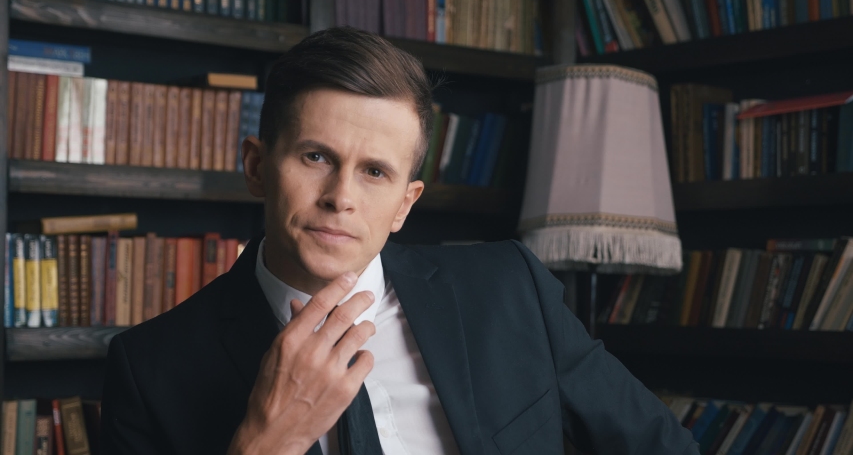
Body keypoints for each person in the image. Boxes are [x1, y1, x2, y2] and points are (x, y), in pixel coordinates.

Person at [101, 26, 699, 455]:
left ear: (404, 205)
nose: (341, 196)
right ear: (257, 166)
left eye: (375, 172)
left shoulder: (510, 291)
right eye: (316, 157)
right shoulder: (150, 368)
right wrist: (266, 443)